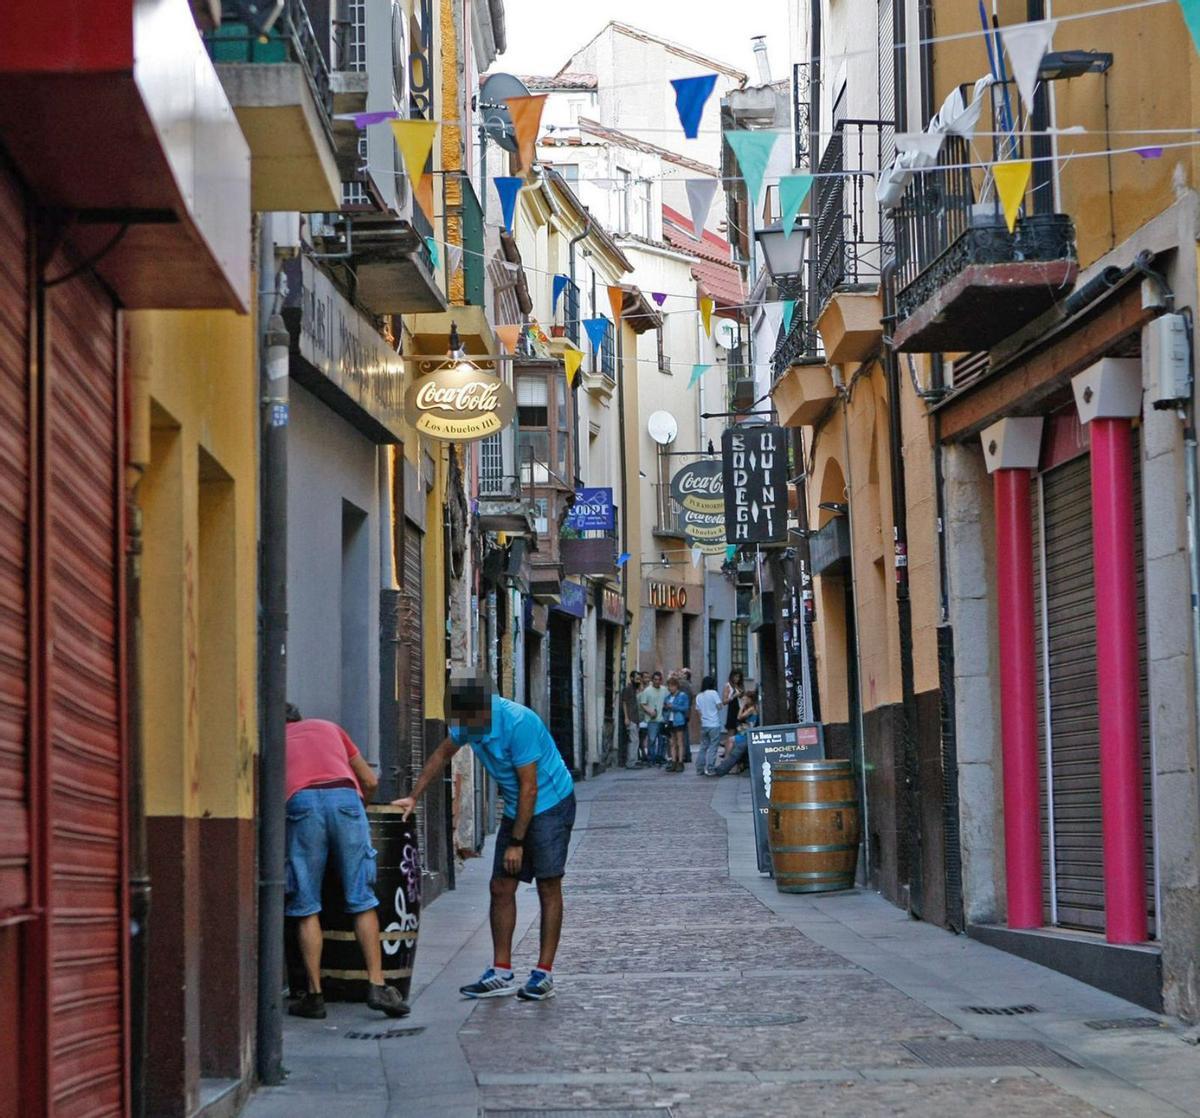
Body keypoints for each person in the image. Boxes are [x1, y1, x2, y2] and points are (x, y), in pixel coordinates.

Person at [394, 671, 575, 1002]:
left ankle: (543, 974)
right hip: (517, 806)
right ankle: (501, 971)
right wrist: (413, 796)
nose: (463, 730)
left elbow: (530, 788)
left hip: (550, 803)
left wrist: (516, 843)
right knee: (500, 887)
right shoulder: (468, 720)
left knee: (548, 885)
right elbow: (440, 755)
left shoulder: (519, 723)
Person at [284, 705, 410, 1020]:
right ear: (300, 718)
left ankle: (314, 995)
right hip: (345, 798)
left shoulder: (274, 740)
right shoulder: (330, 728)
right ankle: (377, 985)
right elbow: (369, 780)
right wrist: (356, 812)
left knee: (306, 905)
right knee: (362, 899)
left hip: (301, 803)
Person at [713, 685, 760, 776]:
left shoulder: (751, 709)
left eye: (746, 699)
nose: (745, 700)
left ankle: (726, 762)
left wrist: (741, 707)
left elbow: (739, 717)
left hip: (747, 734)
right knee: (730, 741)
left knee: (731, 740)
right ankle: (730, 763)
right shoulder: (751, 707)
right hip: (745, 731)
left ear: (751, 699)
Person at [694, 675, 723, 776]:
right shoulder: (714, 693)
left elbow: (698, 711)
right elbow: (720, 706)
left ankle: (699, 768)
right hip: (714, 723)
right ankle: (710, 768)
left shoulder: (699, 696)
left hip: (704, 724)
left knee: (703, 747)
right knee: (713, 747)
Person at [639, 671, 668, 767]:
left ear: (661, 680)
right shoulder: (647, 691)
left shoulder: (664, 690)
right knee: (652, 740)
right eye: (655, 679)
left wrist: (666, 707)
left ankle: (660, 758)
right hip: (652, 720)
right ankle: (651, 758)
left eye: (659, 680)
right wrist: (650, 711)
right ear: (652, 680)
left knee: (662, 740)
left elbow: (668, 700)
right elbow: (643, 703)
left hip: (662, 719)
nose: (657, 681)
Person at [663, 675, 690, 772]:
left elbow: (685, 708)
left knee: (680, 742)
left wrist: (673, 706)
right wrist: (666, 708)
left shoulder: (683, 695)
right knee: (672, 743)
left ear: (676, 686)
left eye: (672, 686)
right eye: (669, 686)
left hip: (679, 720)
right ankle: (673, 761)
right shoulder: (668, 697)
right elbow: (665, 709)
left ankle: (680, 762)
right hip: (670, 721)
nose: (670, 688)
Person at [620, 670, 643, 769]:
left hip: (635, 718)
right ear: (631, 678)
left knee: (635, 740)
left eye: (639, 679)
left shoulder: (635, 690)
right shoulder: (628, 689)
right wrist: (626, 717)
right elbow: (624, 703)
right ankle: (631, 762)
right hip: (631, 718)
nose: (638, 681)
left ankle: (633, 760)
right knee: (633, 740)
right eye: (637, 679)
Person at [721, 670, 745, 761]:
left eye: (738, 677)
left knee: (739, 732)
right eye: (735, 676)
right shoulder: (728, 686)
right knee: (731, 732)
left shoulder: (740, 686)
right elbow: (724, 701)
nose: (737, 679)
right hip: (732, 710)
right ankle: (727, 755)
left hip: (740, 710)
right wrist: (734, 696)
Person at [677, 667, 695, 767]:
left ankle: (683, 755)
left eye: (682, 672)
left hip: (681, 712)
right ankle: (687, 754)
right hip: (686, 712)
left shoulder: (683, 684)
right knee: (685, 734)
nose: (679, 673)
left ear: (685, 675)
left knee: (682, 735)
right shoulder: (688, 684)